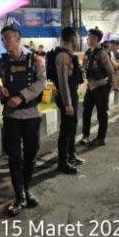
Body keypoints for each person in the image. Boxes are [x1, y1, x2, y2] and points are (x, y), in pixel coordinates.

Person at [0, 26, 46, 217]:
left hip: (31, 115)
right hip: (11, 117)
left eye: (9, 38)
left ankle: (26, 189)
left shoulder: (34, 60)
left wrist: (21, 96)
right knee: (14, 157)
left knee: (31, 154)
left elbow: (41, 82)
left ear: (18, 39)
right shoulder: (0, 63)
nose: (5, 42)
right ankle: (19, 196)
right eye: (3, 39)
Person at [50, 27, 84, 174]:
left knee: (72, 126)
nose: (78, 39)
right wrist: (68, 104)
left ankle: (71, 154)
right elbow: (63, 82)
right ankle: (62, 162)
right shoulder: (63, 56)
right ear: (72, 38)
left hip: (71, 94)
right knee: (66, 128)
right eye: (77, 36)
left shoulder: (68, 54)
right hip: (66, 97)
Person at [80, 28, 116, 148]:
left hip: (101, 87)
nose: (87, 38)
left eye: (89, 36)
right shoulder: (88, 52)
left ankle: (101, 138)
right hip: (90, 87)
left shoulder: (102, 53)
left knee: (102, 113)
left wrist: (111, 85)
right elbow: (83, 67)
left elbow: (110, 70)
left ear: (95, 39)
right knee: (86, 112)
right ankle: (85, 136)